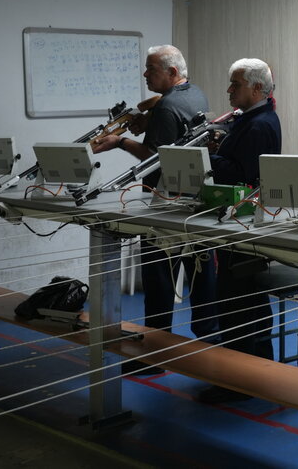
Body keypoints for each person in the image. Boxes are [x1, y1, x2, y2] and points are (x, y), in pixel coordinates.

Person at [92, 45, 217, 372]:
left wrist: (120, 141)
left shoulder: (166, 107)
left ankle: (154, 359)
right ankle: (213, 362)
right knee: (202, 287)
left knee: (159, 285)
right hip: (197, 205)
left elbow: (153, 159)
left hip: (165, 207)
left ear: (172, 73)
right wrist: (146, 117)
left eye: (151, 69)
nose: (145, 74)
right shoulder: (195, 95)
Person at [197, 58, 282, 404]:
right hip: (243, 221)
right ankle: (255, 370)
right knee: (246, 299)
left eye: (236, 84)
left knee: (237, 301)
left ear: (257, 89)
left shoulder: (258, 125)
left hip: (244, 222)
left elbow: (242, 175)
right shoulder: (252, 120)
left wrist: (207, 157)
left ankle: (239, 381)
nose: (229, 90)